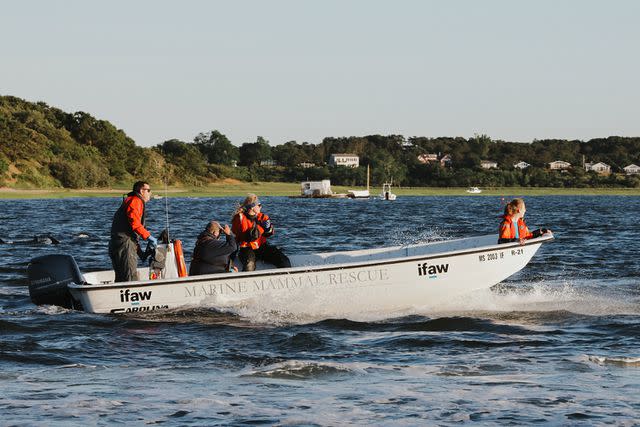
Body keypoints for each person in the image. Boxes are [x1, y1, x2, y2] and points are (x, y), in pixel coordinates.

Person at [109, 181, 157, 282]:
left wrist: (140, 252)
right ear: (141, 191)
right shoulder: (135, 201)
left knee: (122, 276)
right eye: (148, 190)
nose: (150, 193)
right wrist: (149, 237)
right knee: (130, 276)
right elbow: (135, 224)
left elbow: (130, 231)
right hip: (124, 243)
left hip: (119, 242)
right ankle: (132, 296)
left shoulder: (131, 200)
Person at [231, 194, 291, 271]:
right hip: (246, 249)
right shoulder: (239, 218)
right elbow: (249, 237)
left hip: (262, 247)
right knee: (249, 265)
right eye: (259, 205)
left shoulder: (263, 217)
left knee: (283, 260)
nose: (261, 207)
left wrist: (268, 228)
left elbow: (269, 234)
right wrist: (262, 227)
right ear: (252, 207)